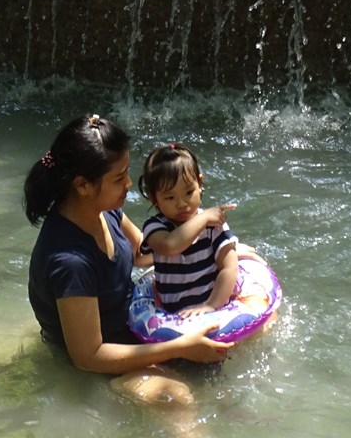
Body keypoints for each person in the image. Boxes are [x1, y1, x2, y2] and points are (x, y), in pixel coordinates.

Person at [24, 114, 232, 399]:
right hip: (106, 359)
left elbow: (144, 253)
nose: (130, 184)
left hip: (135, 326)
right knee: (176, 398)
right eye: (119, 177)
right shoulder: (70, 262)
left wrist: (220, 250)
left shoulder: (103, 210)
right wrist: (181, 348)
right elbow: (88, 357)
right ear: (83, 185)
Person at [137, 143, 239, 318]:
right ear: (154, 198)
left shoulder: (214, 226)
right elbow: (170, 246)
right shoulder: (154, 227)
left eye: (189, 192)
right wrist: (204, 217)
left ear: (200, 183)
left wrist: (210, 305)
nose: (182, 203)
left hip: (213, 307)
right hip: (171, 317)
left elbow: (229, 268)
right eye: (170, 197)